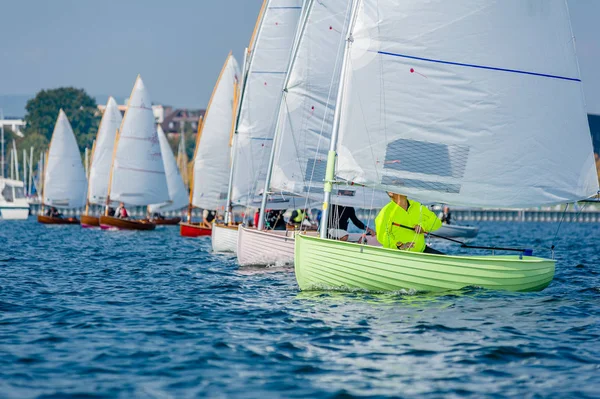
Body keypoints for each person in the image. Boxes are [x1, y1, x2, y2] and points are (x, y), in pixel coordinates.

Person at [375, 192, 443, 254]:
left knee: (447, 260)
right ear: (391, 193)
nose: (404, 188)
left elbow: (436, 221)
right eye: (399, 185)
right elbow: (382, 237)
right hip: (398, 254)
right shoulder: (386, 212)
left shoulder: (417, 206)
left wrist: (423, 226)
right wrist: (400, 245)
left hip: (421, 251)